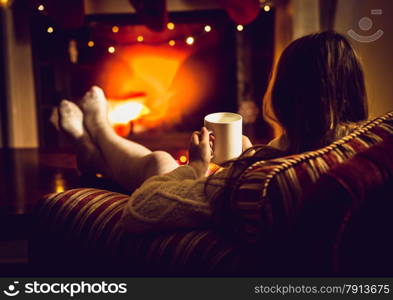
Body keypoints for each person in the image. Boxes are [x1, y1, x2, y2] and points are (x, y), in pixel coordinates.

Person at [56, 31, 368, 234]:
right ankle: (91, 150)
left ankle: (97, 131)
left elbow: (141, 209)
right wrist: (249, 154)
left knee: (162, 163)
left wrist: (195, 167)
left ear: (286, 97)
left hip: (213, 214)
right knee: (160, 163)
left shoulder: (263, 181)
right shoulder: (357, 144)